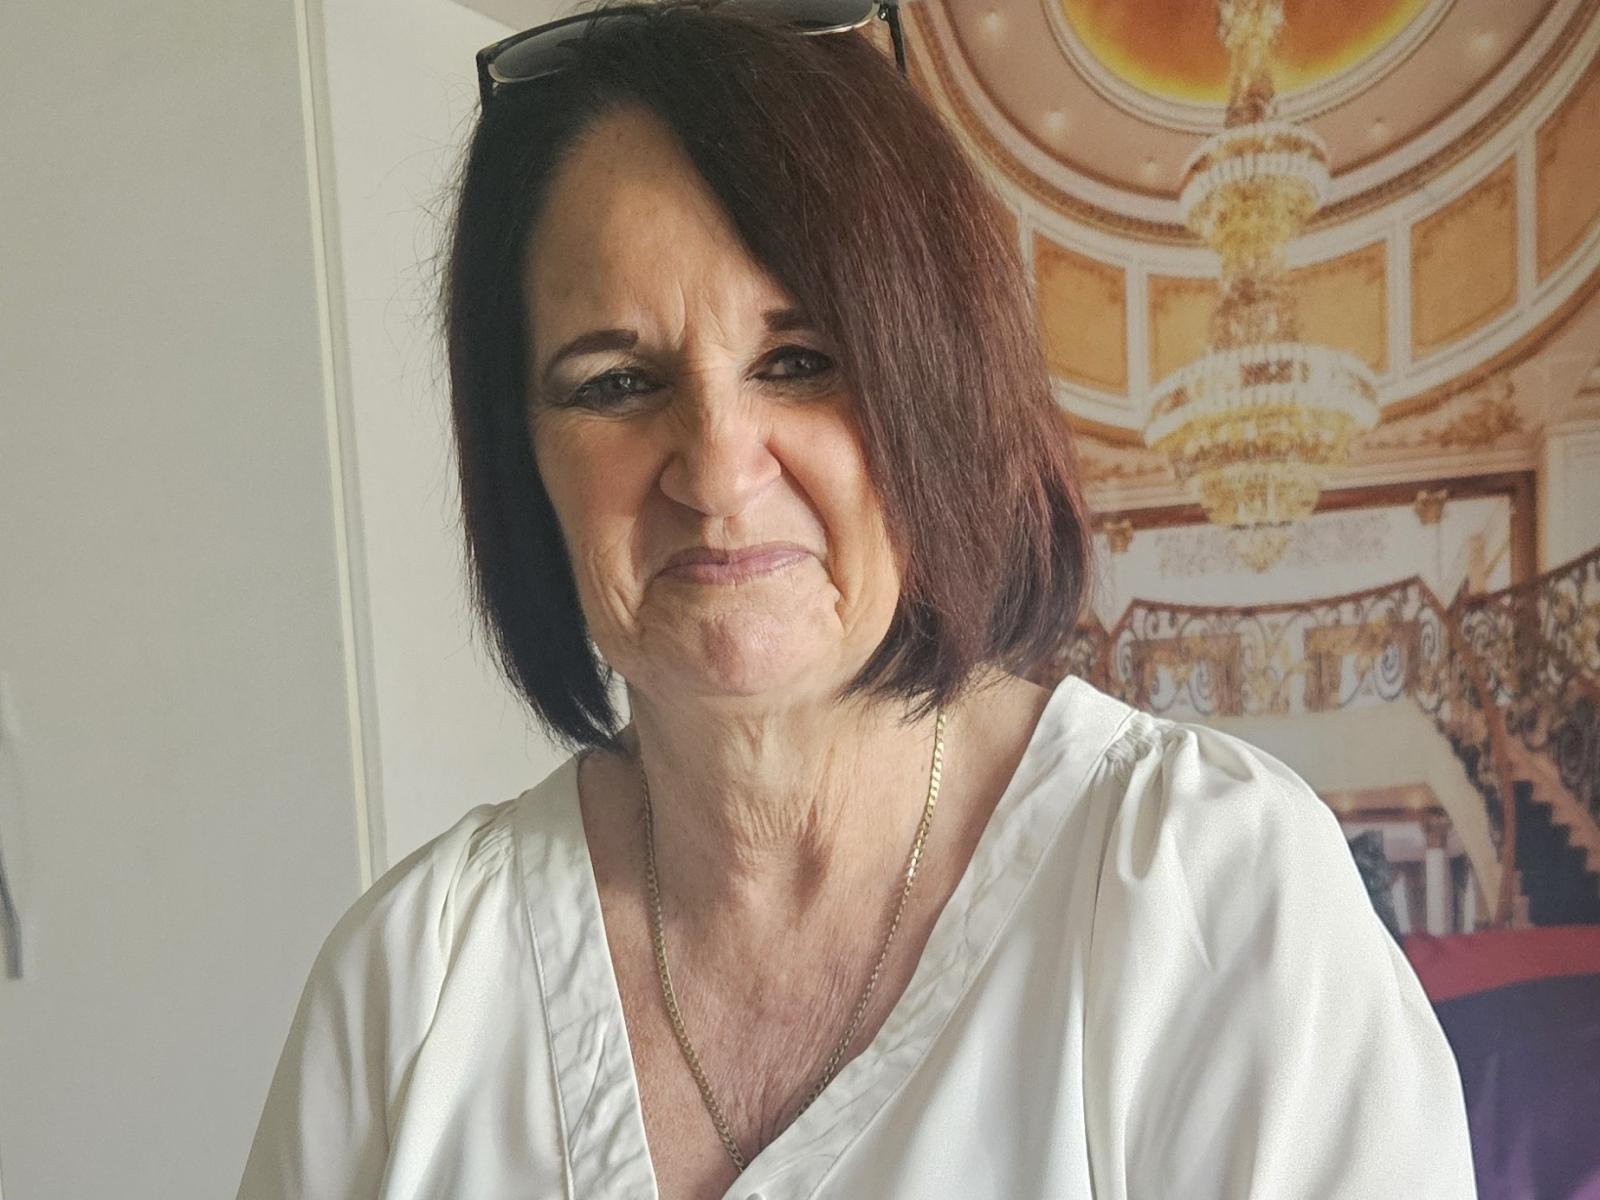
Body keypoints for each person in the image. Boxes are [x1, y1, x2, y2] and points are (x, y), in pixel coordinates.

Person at [237, 3, 1477, 1197]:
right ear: (523, 462)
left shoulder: (1213, 899)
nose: (718, 469)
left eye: (798, 361)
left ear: (934, 393)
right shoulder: (407, 992)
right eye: (615, 381)